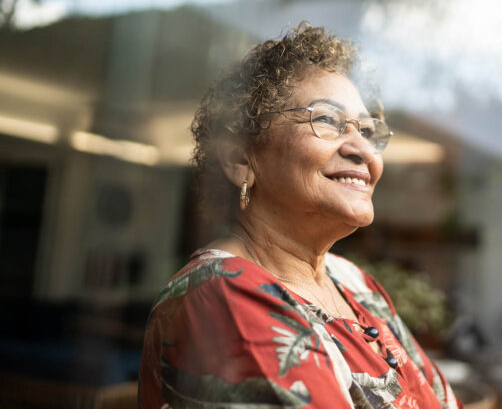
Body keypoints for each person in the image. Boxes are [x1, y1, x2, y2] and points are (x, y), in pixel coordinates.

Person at [139, 24, 462, 409]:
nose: (363, 149)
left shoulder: (354, 283)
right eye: (326, 120)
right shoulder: (222, 293)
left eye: (368, 130)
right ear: (240, 158)